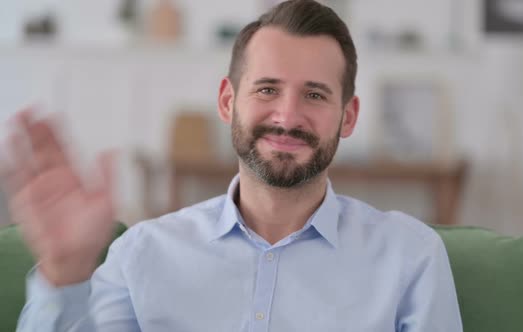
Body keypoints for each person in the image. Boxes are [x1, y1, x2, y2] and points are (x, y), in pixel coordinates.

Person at [2, 1, 462, 331]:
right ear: (228, 101)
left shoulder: (412, 257)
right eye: (266, 89)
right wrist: (63, 272)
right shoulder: (142, 255)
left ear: (349, 115)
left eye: (315, 95)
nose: (287, 116)